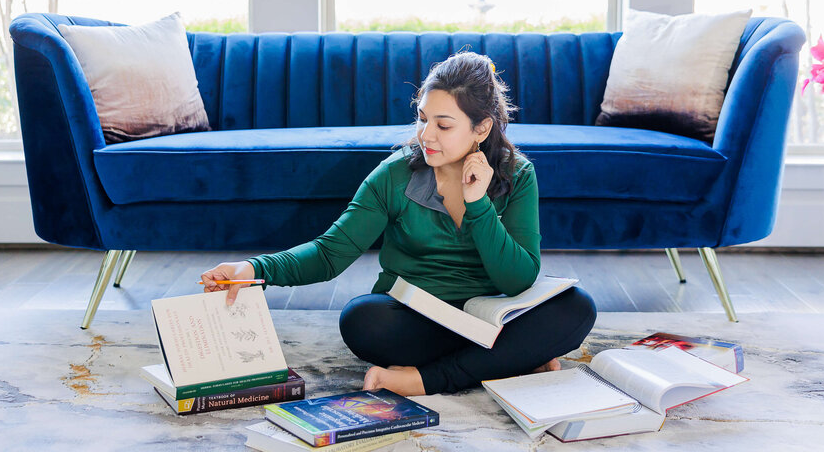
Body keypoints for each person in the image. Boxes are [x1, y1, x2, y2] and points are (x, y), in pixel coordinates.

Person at [200, 51, 597, 396]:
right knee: (362, 320)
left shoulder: (517, 175)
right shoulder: (395, 174)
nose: (426, 135)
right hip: (419, 321)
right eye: (422, 119)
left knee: (576, 309)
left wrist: (477, 204)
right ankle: (510, 361)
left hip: (492, 316)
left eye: (443, 125)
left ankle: (429, 379)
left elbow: (518, 281)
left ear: (481, 128)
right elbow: (328, 255)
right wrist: (253, 269)